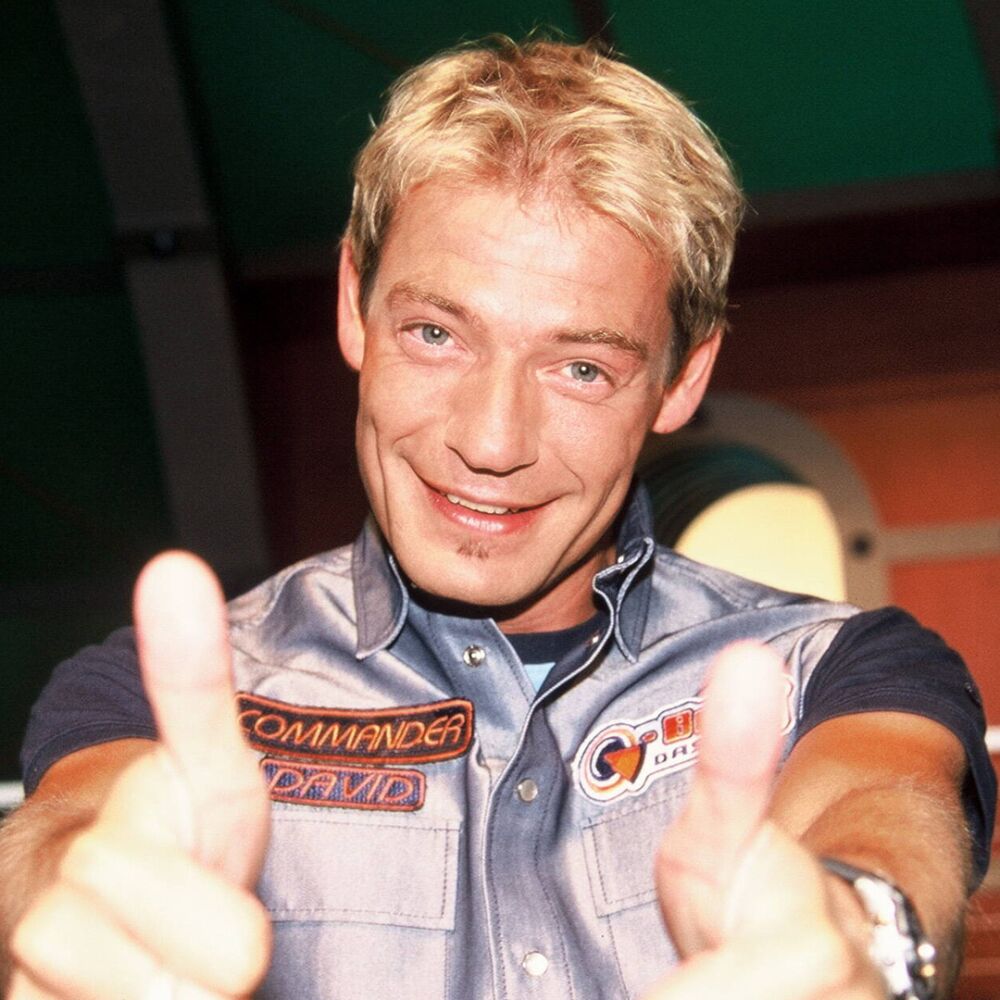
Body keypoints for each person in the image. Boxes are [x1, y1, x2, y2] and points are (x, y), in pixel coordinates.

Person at [1, 37, 994, 1000]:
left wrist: (858, 929)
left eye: (581, 368)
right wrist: (74, 906)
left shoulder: (839, 666)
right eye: (436, 333)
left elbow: (880, 805)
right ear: (353, 302)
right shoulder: (166, 693)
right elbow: (68, 837)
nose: (489, 440)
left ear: (682, 378)